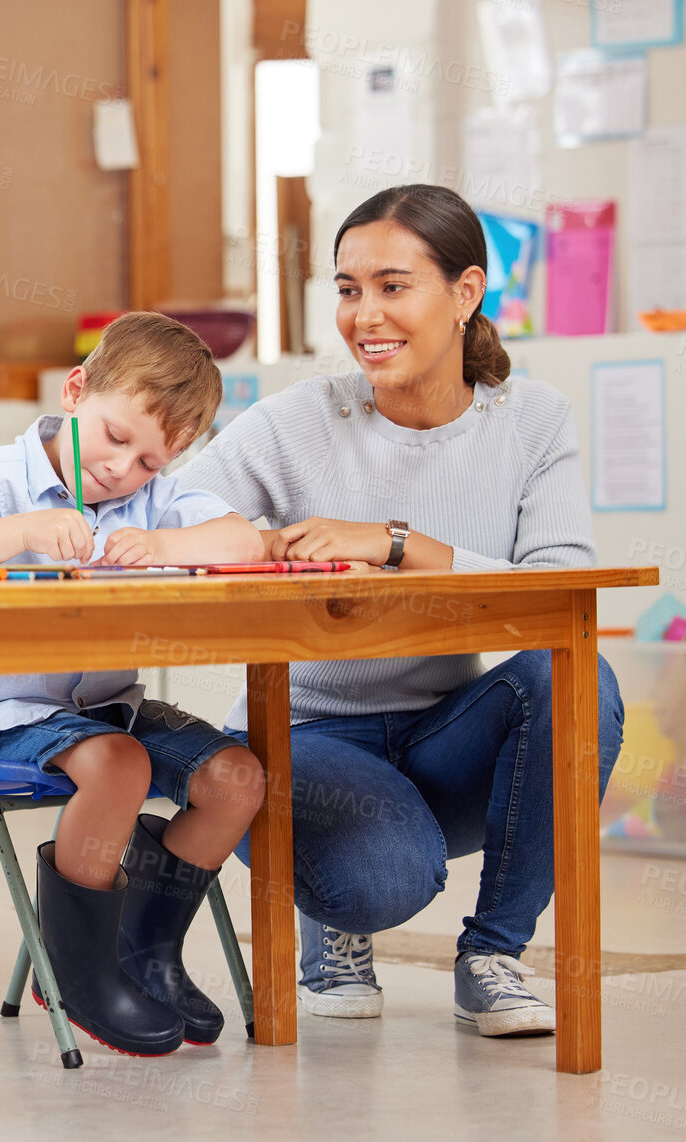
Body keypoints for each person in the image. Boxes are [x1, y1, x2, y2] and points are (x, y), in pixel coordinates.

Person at [176, 183, 624, 1037]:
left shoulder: (530, 420)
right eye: (347, 289)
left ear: (464, 294)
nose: (363, 315)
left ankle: (493, 957)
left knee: (569, 675)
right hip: (308, 737)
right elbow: (172, 516)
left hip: (443, 734)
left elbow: (561, 589)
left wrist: (394, 542)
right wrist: (265, 542)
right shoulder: (295, 421)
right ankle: (335, 922)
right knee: (383, 883)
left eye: (391, 286)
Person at [0, 311, 267, 1056]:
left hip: (106, 709)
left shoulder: (149, 501)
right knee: (118, 764)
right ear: (74, 391)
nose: (122, 470)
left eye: (150, 462)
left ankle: (141, 951)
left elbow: (245, 542)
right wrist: (22, 531)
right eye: (114, 437)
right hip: (1, 711)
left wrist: (162, 542)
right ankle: (77, 967)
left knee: (235, 778)